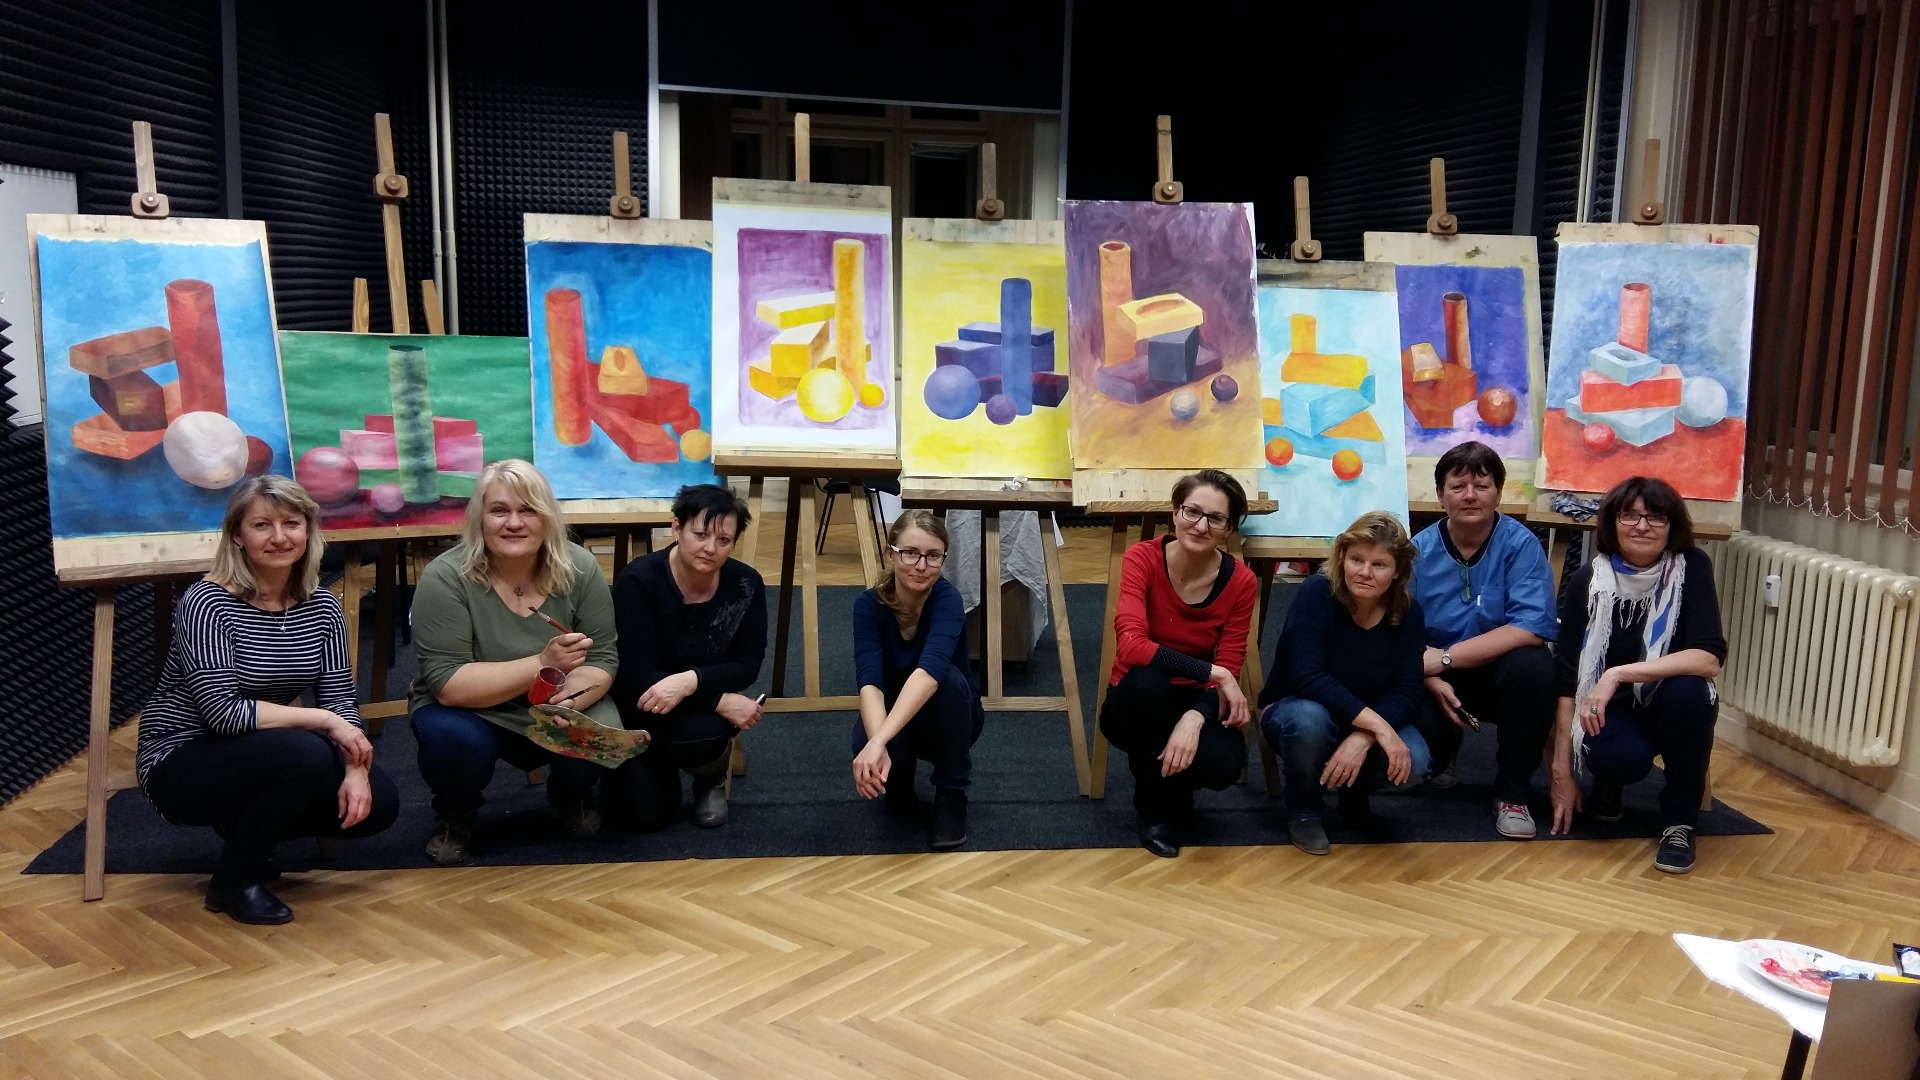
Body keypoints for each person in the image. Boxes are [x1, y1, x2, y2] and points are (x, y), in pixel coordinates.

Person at [138, 476, 399, 925]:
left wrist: (356, 768)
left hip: (262, 751)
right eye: (262, 525)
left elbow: (340, 699)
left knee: (381, 805)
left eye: (291, 523)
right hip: (179, 757)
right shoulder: (206, 602)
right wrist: (323, 721)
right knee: (304, 753)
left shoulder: (323, 607)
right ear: (238, 536)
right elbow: (224, 714)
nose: (279, 537)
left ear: (308, 530)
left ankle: (246, 830)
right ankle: (235, 880)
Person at [409, 459, 619, 865]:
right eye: (499, 510)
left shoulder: (579, 567)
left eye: (528, 510)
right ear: (480, 518)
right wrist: (542, 662)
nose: (514, 523)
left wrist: (570, 702)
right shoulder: (445, 577)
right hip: (474, 708)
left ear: (547, 518)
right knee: (450, 739)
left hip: (557, 699)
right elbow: (447, 683)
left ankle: (571, 795)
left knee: (599, 727)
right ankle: (456, 813)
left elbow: (603, 655)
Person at [1549, 477, 1725, 874]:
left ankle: (1679, 823)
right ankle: (1609, 782)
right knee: (1618, 758)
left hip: (1669, 701)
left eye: (1656, 517)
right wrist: (1561, 770)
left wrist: (1617, 674)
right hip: (1611, 710)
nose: (1642, 526)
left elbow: (1708, 657)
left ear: (1671, 525)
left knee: (1691, 694)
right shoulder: (1586, 581)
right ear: (1612, 523)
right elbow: (1567, 680)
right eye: (1629, 516)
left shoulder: (1692, 568)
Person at [1099, 470, 1258, 858]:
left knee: (1224, 763)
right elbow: (1132, 647)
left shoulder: (1241, 581)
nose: (1201, 526)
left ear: (1228, 528)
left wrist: (1196, 715)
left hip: (1193, 699)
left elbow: (1229, 660)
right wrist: (1213, 673)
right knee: (1148, 685)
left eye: (1215, 518)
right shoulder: (1142, 558)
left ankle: (1176, 785)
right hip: (1134, 700)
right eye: (1192, 512)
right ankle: (1152, 809)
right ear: (1175, 512)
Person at [1260, 512, 1433, 855]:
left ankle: (1353, 793)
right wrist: (1379, 728)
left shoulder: (1408, 612)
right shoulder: (1315, 593)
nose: (1365, 572)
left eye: (1379, 564)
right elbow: (1306, 676)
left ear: (1397, 570)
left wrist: (1364, 735)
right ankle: (1304, 809)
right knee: (1309, 721)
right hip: (1297, 708)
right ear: (1342, 558)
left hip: (1366, 717)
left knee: (1415, 759)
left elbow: (1409, 691)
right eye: (1356, 559)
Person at [1410, 441, 1558, 839]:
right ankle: (1443, 753)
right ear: (1440, 495)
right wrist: (1432, 676)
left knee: (1535, 669)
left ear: (1498, 492)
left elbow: (1529, 628)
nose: (1470, 495)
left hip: (1497, 673)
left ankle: (1513, 794)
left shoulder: (1521, 545)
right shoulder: (1417, 551)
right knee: (1408, 703)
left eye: (1481, 485)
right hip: (1433, 675)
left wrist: (1445, 659)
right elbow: (1397, 627)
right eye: (1457, 486)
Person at [610, 483, 766, 830]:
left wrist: (690, 682)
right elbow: (632, 673)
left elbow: (747, 665)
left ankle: (709, 779)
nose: (710, 548)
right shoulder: (638, 581)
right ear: (676, 528)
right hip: (642, 706)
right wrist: (716, 700)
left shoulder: (746, 584)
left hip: (695, 712)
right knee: (642, 817)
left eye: (724, 540)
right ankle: (652, 768)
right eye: (700, 535)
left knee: (707, 734)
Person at [850, 510, 985, 850]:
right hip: (897, 711)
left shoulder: (948, 599)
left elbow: (928, 675)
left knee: (948, 682)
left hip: (952, 714)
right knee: (866, 741)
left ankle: (952, 793)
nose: (921, 566)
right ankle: (898, 777)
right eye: (910, 553)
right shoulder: (867, 605)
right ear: (890, 554)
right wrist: (877, 744)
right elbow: (869, 683)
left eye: (933, 556)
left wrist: (878, 741)